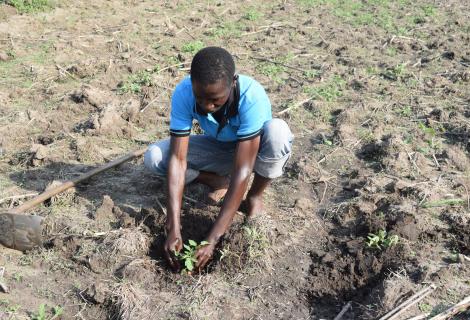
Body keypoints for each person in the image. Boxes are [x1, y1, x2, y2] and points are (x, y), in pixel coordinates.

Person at [144, 47, 293, 271]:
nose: (206, 106)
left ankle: (254, 197)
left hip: (251, 151)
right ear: (192, 83)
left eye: (215, 100)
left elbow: (243, 170)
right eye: (200, 98)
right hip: (219, 149)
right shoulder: (184, 92)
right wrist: (173, 226)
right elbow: (177, 159)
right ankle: (215, 180)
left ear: (232, 82)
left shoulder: (251, 97)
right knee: (155, 157)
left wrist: (212, 239)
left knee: (278, 131)